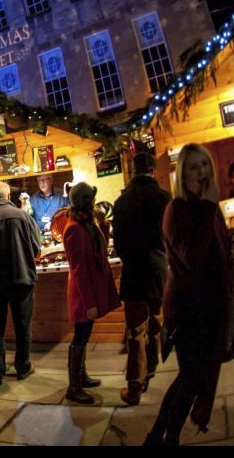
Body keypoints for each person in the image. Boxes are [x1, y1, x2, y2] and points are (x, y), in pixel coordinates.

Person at [145, 143, 233, 446]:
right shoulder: (178, 209)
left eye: (205, 165)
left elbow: (213, 247)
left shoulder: (208, 205)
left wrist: (231, 246)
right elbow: (191, 258)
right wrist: (210, 207)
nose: (202, 173)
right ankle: (164, 437)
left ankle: (162, 436)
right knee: (191, 379)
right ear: (182, 173)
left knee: (190, 379)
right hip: (189, 312)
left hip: (210, 310)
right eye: (194, 167)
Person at [112, 152, 172, 406]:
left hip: (134, 270)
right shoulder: (164, 198)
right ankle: (150, 372)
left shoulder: (122, 201)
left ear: (133, 170)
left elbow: (119, 244)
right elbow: (171, 236)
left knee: (136, 331)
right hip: (159, 270)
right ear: (153, 170)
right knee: (156, 324)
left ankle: (134, 388)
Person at [0, 181, 41, 385]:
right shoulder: (23, 217)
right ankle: (23, 367)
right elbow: (37, 248)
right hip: (22, 280)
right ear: (9, 197)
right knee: (23, 327)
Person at [62, 182, 120, 404]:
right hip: (83, 294)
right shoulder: (74, 228)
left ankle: (82, 376)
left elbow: (99, 248)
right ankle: (74, 386)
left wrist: (103, 226)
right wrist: (89, 303)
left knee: (84, 337)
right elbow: (79, 270)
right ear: (85, 202)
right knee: (80, 337)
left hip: (90, 290)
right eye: (92, 199)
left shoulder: (86, 224)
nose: (95, 202)